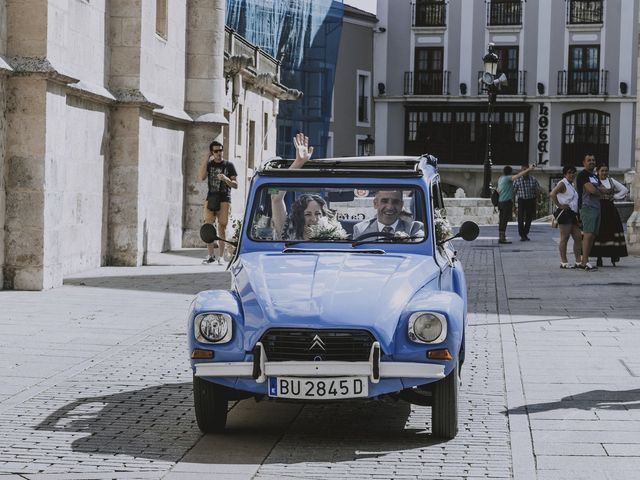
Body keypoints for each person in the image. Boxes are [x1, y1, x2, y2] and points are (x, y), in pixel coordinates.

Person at [270, 133, 342, 241]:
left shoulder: (333, 237)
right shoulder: (288, 233)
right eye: (307, 214)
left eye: (318, 214)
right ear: (299, 217)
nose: (314, 219)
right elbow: (275, 198)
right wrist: (298, 163)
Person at [199, 140, 238, 264]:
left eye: (220, 150)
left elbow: (236, 185)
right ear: (212, 152)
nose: (219, 153)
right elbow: (201, 177)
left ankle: (221, 257)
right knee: (208, 227)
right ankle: (210, 256)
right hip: (211, 198)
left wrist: (226, 179)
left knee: (222, 227)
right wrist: (206, 159)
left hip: (224, 199)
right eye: (216, 151)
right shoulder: (209, 165)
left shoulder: (229, 165)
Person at [575, 154, 611, 271]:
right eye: (589, 160)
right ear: (584, 163)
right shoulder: (583, 175)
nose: (592, 162)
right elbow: (592, 190)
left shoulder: (594, 176)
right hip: (587, 207)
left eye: (593, 160)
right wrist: (602, 191)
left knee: (593, 235)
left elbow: (604, 188)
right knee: (588, 234)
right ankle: (584, 262)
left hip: (596, 207)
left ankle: (585, 261)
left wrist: (602, 190)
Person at [590, 164, 629, 267]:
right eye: (602, 171)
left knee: (612, 230)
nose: (604, 173)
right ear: (597, 171)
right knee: (600, 231)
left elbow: (624, 190)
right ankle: (599, 257)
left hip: (610, 209)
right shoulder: (594, 181)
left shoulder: (611, 180)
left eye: (606, 171)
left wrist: (615, 196)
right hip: (599, 208)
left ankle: (613, 255)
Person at [352, 190, 424, 239]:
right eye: (384, 201)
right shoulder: (360, 229)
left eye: (395, 202)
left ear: (401, 205)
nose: (390, 207)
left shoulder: (414, 228)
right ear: (375, 204)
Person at [549, 166, 582, 268]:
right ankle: (564, 262)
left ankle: (578, 261)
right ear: (565, 174)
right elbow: (552, 193)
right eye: (569, 173)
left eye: (573, 172)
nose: (572, 174)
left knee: (578, 237)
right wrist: (559, 205)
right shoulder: (563, 183)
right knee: (565, 238)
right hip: (565, 213)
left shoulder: (571, 184)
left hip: (572, 214)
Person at [495, 164, 535, 244]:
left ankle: (501, 237)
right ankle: (502, 238)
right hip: (506, 202)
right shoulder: (508, 178)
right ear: (510, 172)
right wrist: (529, 169)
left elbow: (498, 190)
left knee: (502, 220)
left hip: (500, 202)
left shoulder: (500, 178)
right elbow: (519, 175)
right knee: (504, 220)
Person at [513, 164, 541, 241]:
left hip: (531, 200)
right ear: (521, 171)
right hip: (521, 200)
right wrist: (513, 205)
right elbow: (513, 192)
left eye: (526, 170)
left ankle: (525, 233)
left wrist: (538, 201)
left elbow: (537, 191)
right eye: (523, 170)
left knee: (529, 218)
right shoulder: (517, 180)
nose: (525, 171)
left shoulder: (533, 179)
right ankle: (522, 234)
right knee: (520, 218)